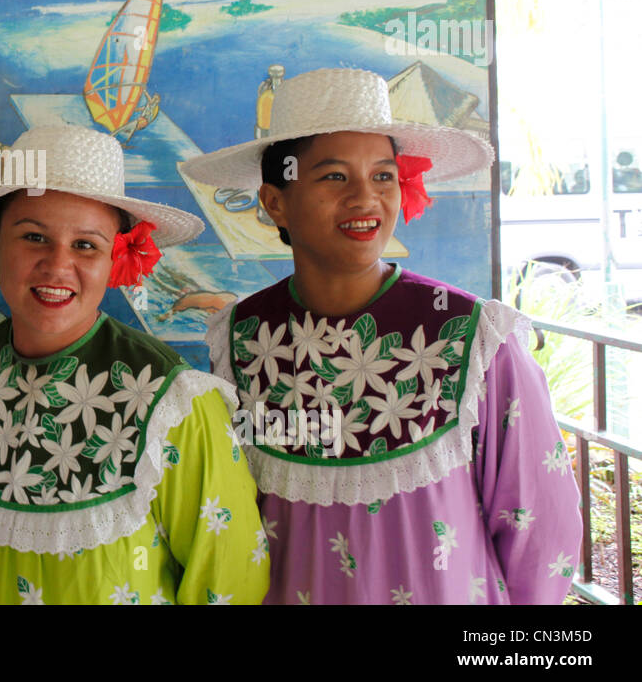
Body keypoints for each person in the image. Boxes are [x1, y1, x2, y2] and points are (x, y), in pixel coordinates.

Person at [182, 67, 582, 604]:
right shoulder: (241, 342)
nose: (365, 198)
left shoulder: (472, 339)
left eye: (383, 176)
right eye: (334, 177)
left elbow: (539, 530)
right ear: (275, 202)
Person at [0, 124, 268, 604]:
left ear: (114, 257)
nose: (58, 266)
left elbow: (230, 584)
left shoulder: (173, 406)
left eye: (86, 245)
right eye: (34, 237)